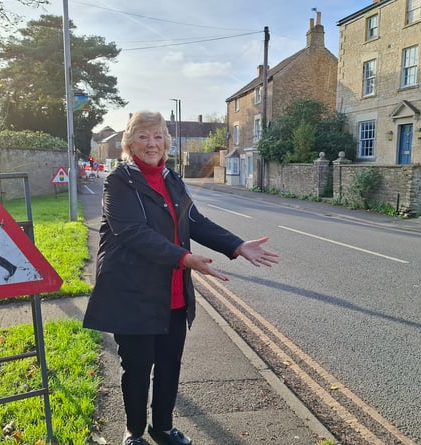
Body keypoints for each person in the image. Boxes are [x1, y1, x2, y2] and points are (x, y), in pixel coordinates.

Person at [83, 111, 279, 445]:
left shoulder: (172, 179)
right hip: (132, 292)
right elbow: (132, 232)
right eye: (143, 136)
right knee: (137, 367)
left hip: (171, 290)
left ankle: (162, 428)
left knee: (169, 365)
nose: (152, 143)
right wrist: (185, 258)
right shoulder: (119, 182)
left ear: (166, 142)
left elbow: (195, 222)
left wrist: (237, 245)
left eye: (158, 136)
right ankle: (133, 432)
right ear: (130, 142)